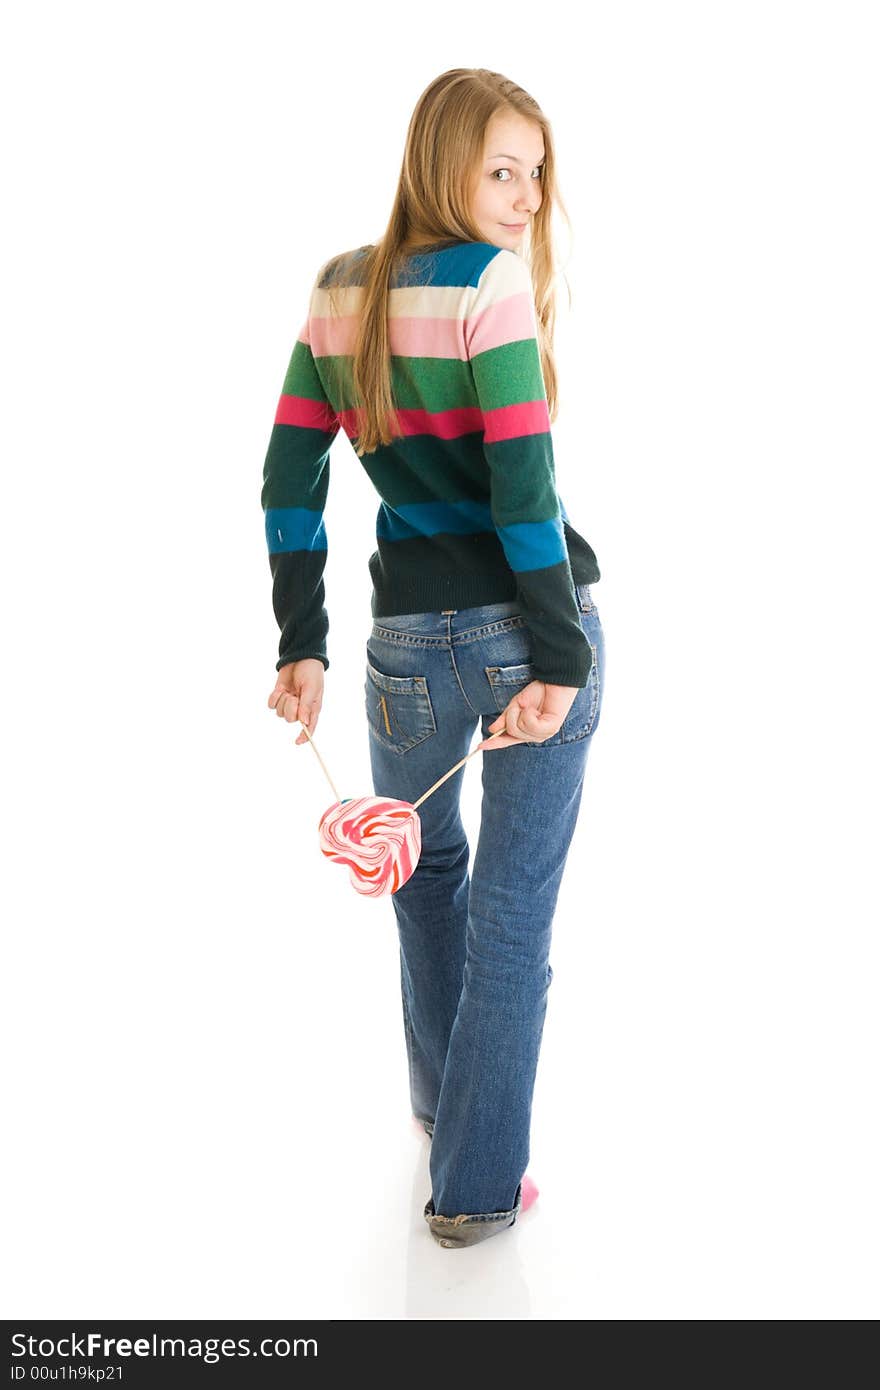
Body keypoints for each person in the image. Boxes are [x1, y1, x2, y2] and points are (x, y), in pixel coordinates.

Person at [261, 68, 605, 1248]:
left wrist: (299, 638)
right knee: (510, 914)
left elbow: (288, 479)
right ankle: (469, 1191)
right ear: (440, 163)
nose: (524, 199)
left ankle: (440, 1112)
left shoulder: (337, 290)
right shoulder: (490, 285)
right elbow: (526, 489)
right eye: (500, 169)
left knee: (426, 879)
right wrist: (557, 654)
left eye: (535, 173)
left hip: (402, 644)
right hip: (525, 630)